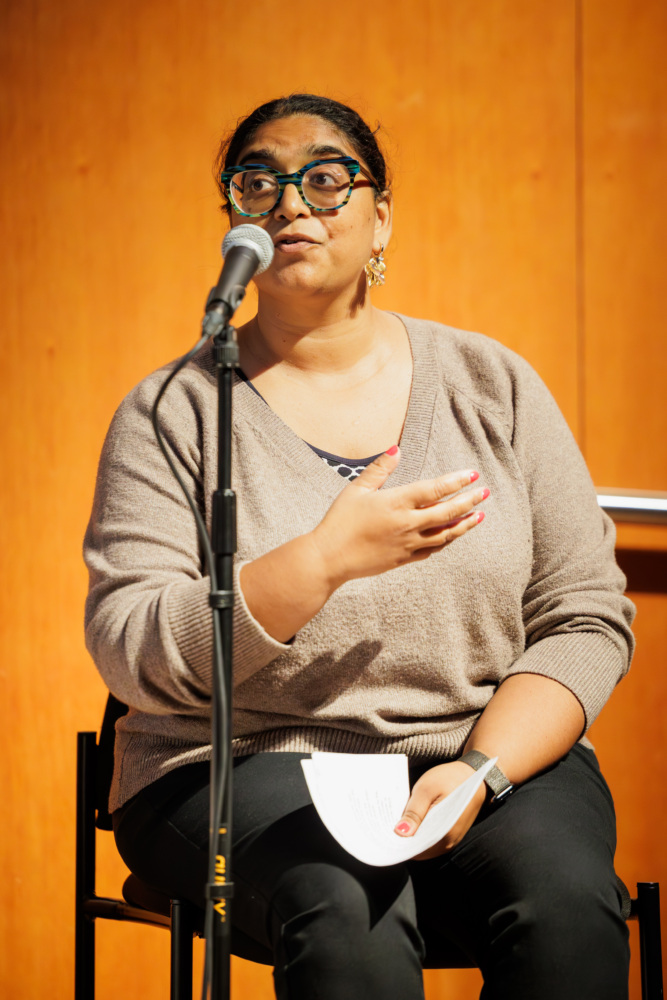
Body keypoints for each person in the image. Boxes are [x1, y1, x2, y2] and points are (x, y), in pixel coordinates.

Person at [84, 93, 636, 999]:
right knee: (345, 906)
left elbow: (582, 617)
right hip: (239, 762)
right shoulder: (175, 411)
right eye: (258, 182)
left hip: (474, 744)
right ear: (235, 222)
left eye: (327, 179)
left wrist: (479, 770)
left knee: (567, 904)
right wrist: (321, 562)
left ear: (382, 215)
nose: (292, 203)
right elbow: (129, 647)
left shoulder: (490, 384)